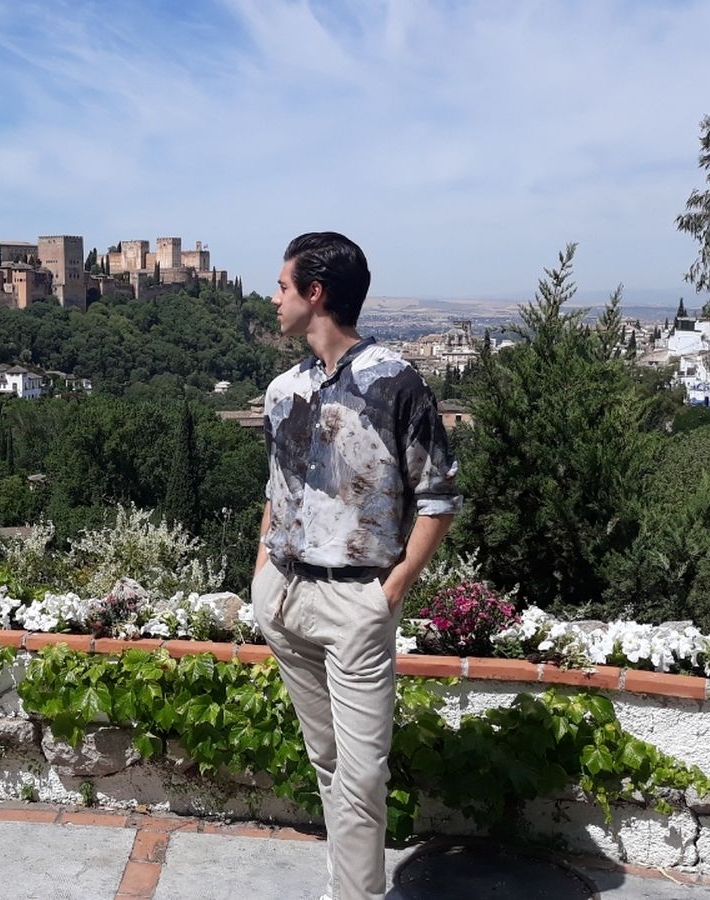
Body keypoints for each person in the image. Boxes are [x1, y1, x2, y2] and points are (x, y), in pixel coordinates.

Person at [253, 232, 461, 900]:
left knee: (363, 771)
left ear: (315, 293)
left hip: (355, 604)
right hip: (284, 597)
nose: (273, 298)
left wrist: (390, 592)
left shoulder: (395, 382)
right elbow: (275, 492)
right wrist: (261, 577)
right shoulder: (282, 391)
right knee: (327, 760)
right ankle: (343, 889)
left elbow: (438, 498)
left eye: (282, 285)